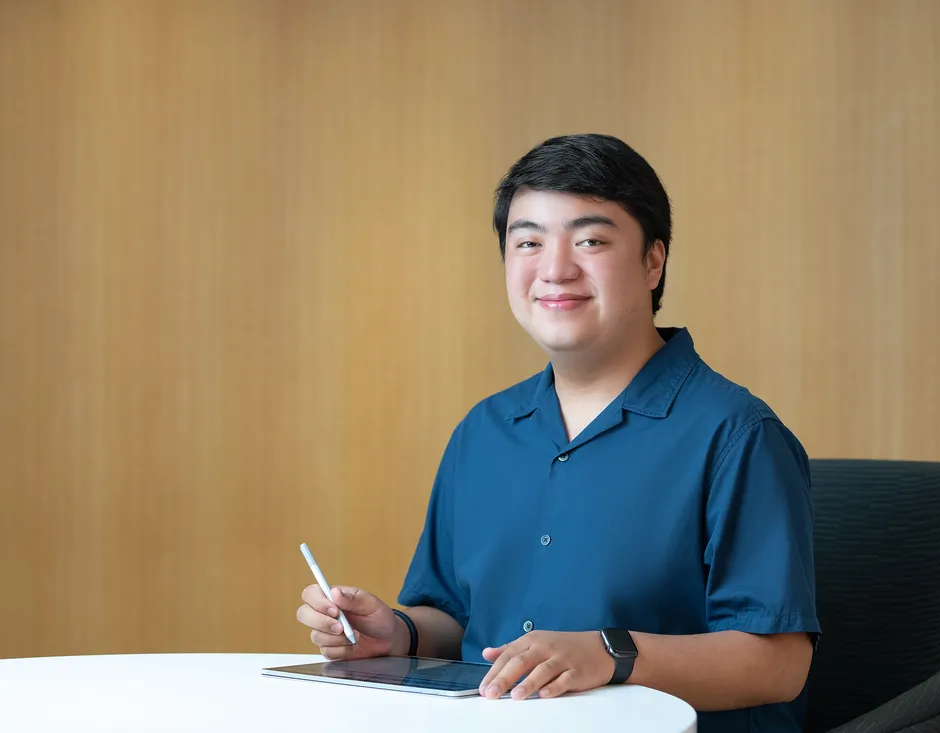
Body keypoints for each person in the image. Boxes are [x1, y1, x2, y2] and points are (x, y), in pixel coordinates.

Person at [296, 133, 820, 733]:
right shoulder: (485, 431)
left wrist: (611, 655)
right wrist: (398, 633)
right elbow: (460, 619)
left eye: (591, 240)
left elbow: (779, 665)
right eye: (528, 243)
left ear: (654, 260)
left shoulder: (737, 435)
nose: (555, 269)